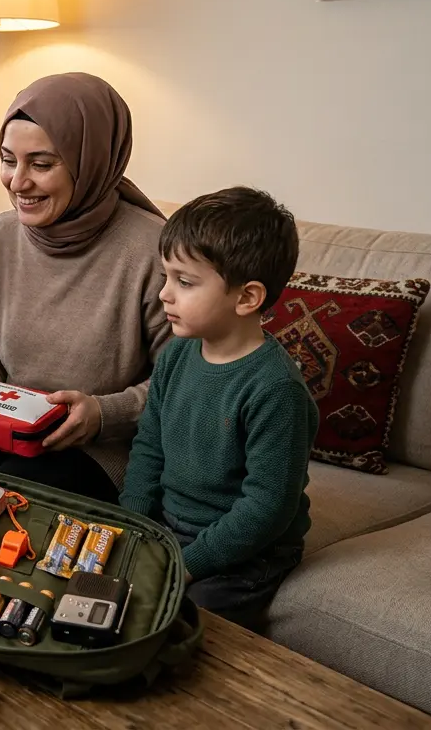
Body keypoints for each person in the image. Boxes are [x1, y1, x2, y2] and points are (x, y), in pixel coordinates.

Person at [0, 73, 172, 502]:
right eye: (8, 160)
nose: (17, 182)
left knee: (12, 503)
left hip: (100, 447)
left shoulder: (154, 251)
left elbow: (183, 382)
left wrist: (103, 413)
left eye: (41, 164)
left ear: (91, 161)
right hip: (3, 428)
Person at [120, 187, 317, 633]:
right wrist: (134, 522)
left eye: (185, 282)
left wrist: (188, 564)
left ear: (246, 298)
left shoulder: (276, 390)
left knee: (178, 621)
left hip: (247, 551)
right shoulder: (175, 355)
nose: (164, 295)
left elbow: (267, 507)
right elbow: (149, 447)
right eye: (166, 277)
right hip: (170, 525)